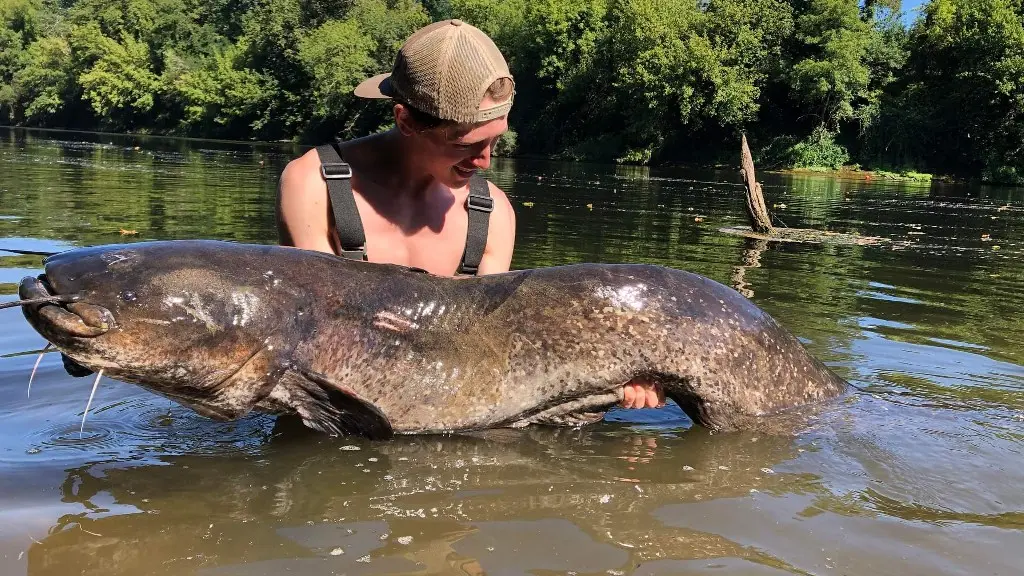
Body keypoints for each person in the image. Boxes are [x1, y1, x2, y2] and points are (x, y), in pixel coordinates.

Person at [276, 19, 663, 410]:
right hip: (340, 417)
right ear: (406, 121)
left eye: (496, 140)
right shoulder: (314, 183)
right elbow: (316, 333)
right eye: (468, 144)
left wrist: (616, 373)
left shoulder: (492, 212)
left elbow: (492, 350)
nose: (486, 161)